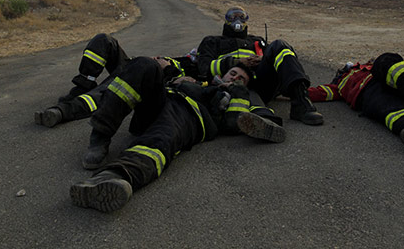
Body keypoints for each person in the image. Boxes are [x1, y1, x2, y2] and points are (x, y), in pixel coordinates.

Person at [70, 56, 285, 213]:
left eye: (241, 78)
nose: (236, 77)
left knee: (162, 137)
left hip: (191, 116)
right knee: (144, 64)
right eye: (233, 74)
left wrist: (238, 90)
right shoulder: (195, 81)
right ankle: (100, 136)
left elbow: (231, 124)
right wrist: (176, 78)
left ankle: (115, 177)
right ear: (221, 74)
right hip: (160, 102)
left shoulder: (232, 95)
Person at [308, 53, 404, 152]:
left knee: (387, 60)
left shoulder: (372, 67)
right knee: (385, 106)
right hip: (370, 95)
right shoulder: (338, 85)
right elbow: (315, 93)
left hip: (393, 84)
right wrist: (289, 91)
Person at [33, 33, 198, 128]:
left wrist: (165, 68)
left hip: (146, 78)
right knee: (104, 40)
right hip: (135, 64)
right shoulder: (187, 56)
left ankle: (62, 111)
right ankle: (84, 84)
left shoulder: (199, 71)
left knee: (112, 89)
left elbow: (184, 85)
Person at [196, 6, 324, 126]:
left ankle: (301, 103)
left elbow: (278, 62)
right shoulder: (212, 41)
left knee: (280, 46)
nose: (238, 20)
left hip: (261, 84)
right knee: (247, 94)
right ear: (226, 20)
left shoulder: (257, 41)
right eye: (233, 17)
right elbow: (205, 69)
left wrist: (262, 60)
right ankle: (261, 118)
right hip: (232, 86)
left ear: (247, 20)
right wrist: (237, 62)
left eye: (241, 17)